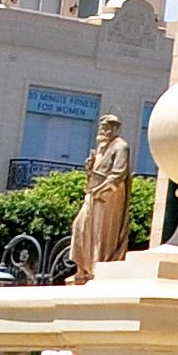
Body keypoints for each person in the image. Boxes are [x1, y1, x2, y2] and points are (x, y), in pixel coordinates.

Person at [68, 116, 133, 282]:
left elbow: (118, 174)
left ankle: (97, 268)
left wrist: (100, 189)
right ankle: (82, 268)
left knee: (100, 233)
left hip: (108, 196)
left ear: (113, 129)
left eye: (106, 128)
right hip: (93, 193)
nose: (102, 131)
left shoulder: (121, 147)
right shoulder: (102, 147)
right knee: (79, 226)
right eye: (101, 127)